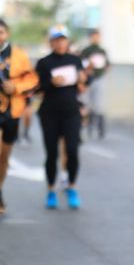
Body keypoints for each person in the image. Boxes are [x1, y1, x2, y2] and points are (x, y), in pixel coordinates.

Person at [35, 25, 88, 210]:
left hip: (71, 112)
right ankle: (51, 189)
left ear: (68, 41)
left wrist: (82, 80)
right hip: (49, 113)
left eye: (63, 39)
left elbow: (82, 85)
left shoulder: (75, 60)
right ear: (51, 42)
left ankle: (71, 187)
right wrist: (50, 82)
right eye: (56, 40)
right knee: (52, 153)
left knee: (72, 150)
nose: (60, 43)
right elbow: (37, 89)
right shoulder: (44, 63)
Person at [0, 19, 39, 215]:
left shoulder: (18, 55)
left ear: (6, 34)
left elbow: (32, 78)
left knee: (4, 157)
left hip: (12, 112)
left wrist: (15, 87)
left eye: (1, 32)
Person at [80, 30, 110, 140]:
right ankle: (88, 127)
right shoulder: (86, 51)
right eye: (93, 36)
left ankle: (100, 128)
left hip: (99, 79)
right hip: (89, 80)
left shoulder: (102, 51)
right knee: (87, 104)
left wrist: (103, 73)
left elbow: (107, 65)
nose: (95, 38)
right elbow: (81, 64)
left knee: (99, 105)